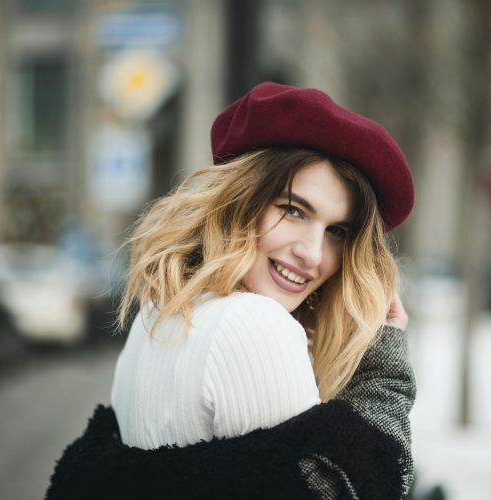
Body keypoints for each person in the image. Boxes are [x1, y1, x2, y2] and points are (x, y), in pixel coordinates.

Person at [47, 81, 416, 500]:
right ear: (240, 201)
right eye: (293, 211)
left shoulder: (157, 317)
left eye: (337, 231)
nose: (312, 254)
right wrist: (384, 376)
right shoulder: (255, 325)